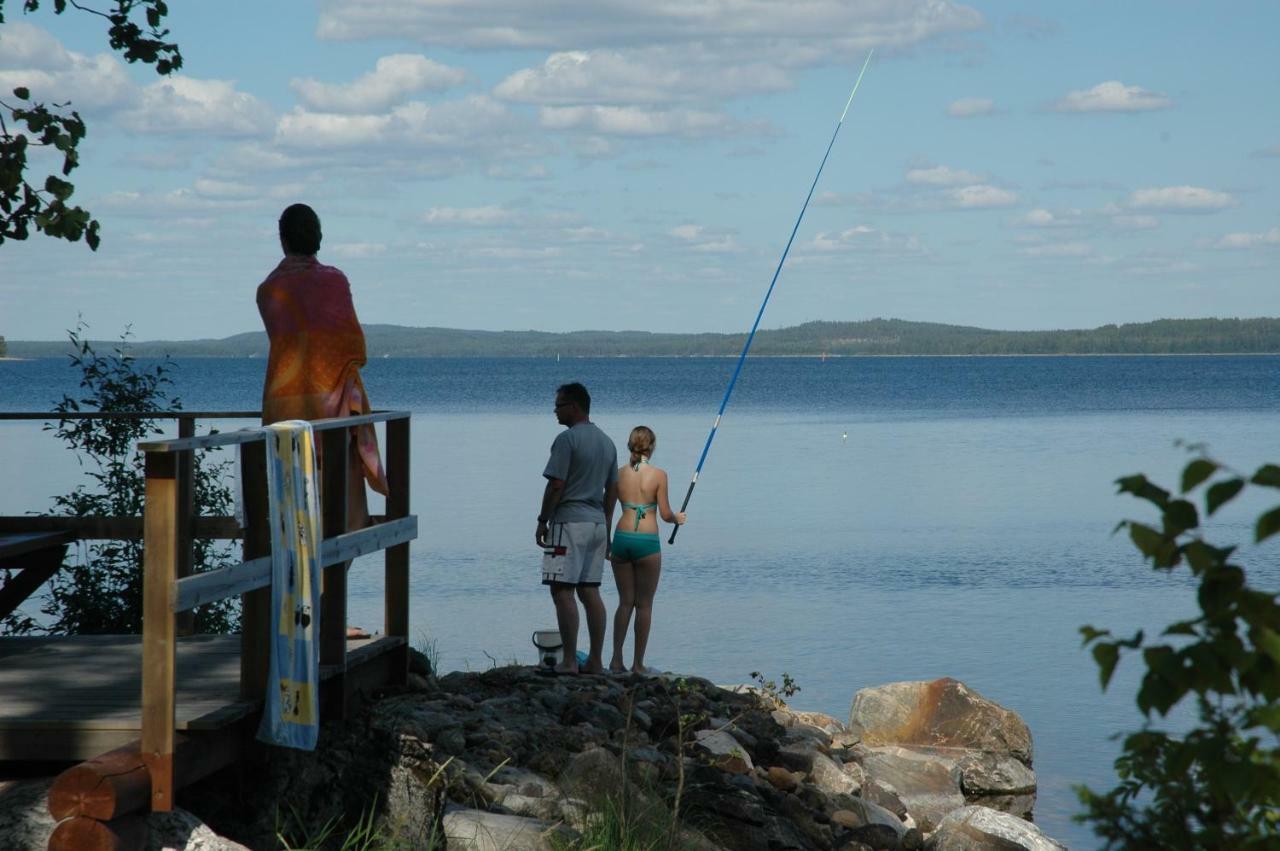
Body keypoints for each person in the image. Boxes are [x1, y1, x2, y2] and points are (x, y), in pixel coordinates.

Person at [257, 203, 388, 530]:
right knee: (338, 512)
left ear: (283, 239)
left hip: (283, 405)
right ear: (317, 237)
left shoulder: (267, 290)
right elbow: (354, 347)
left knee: (290, 509)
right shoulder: (335, 281)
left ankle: (292, 572)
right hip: (334, 408)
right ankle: (332, 572)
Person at [536, 382, 618, 675]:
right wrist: (606, 529)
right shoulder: (607, 442)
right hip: (597, 523)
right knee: (590, 591)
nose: (554, 411)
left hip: (568, 522)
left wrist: (542, 519)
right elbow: (612, 492)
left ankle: (569, 661)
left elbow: (556, 483)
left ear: (574, 406)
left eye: (558, 405)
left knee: (561, 590)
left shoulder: (566, 440)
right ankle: (596, 660)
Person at [608, 426, 686, 675]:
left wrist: (607, 543)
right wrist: (678, 518)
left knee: (624, 603)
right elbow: (665, 514)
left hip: (621, 537)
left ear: (629, 445)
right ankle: (638, 664)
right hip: (646, 542)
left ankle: (616, 661)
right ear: (651, 446)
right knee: (644, 605)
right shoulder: (659, 475)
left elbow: (606, 510)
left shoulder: (617, 474)